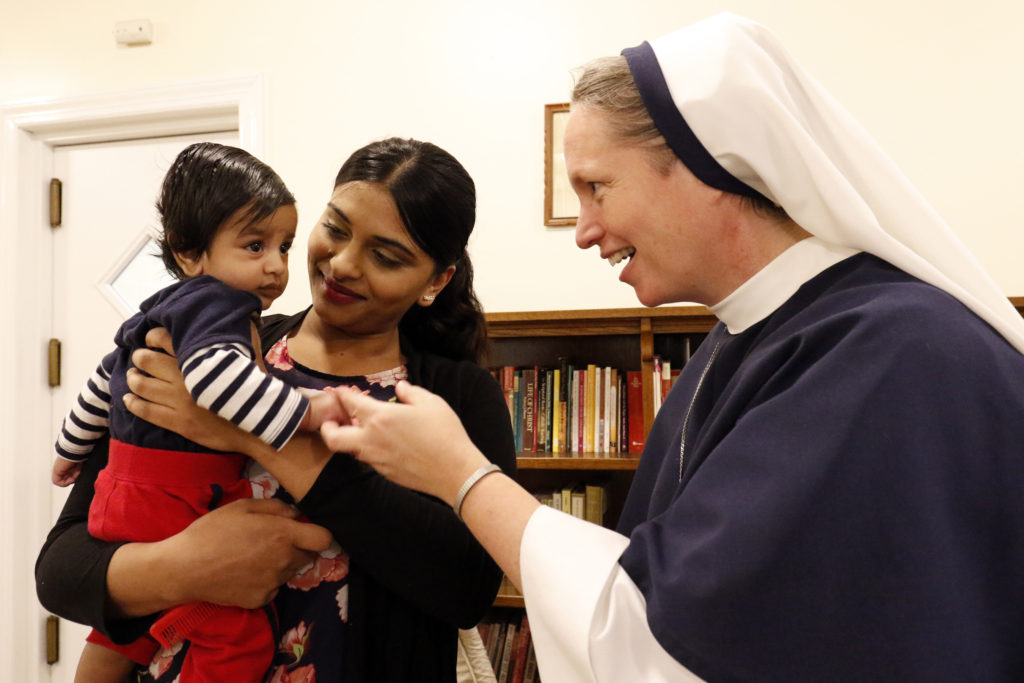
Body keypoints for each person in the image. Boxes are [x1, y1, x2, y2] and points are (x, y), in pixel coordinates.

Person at [317, 13, 1024, 683]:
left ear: (712, 165)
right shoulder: (743, 339)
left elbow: (671, 644)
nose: (584, 230)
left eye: (597, 187)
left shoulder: (892, 351)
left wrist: (461, 475)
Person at [36, 137, 516, 682]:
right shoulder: (212, 349)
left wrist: (250, 436)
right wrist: (187, 566)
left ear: (436, 280)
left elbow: (467, 588)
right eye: (335, 228)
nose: (342, 264)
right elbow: (60, 570)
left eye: (385, 256)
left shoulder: (457, 396)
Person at [51, 141, 347, 683]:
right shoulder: (220, 307)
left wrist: (69, 449)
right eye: (254, 246)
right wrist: (309, 412)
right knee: (238, 635)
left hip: (121, 494)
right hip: (172, 494)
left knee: (134, 623)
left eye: (283, 246)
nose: (276, 267)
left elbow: (106, 378)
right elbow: (217, 384)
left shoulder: (164, 305)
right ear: (190, 254)